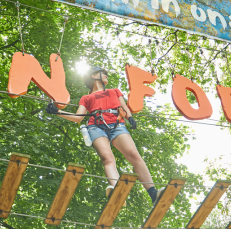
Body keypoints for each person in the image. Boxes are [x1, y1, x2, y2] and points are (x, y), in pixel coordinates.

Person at [46, 66, 163, 205]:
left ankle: (153, 194)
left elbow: (124, 106)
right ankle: (117, 191)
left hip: (117, 124)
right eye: (103, 73)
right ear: (94, 76)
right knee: (107, 158)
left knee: (133, 154)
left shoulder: (114, 91)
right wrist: (58, 112)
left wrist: (130, 117)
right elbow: (78, 117)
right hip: (95, 126)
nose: (106, 75)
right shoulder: (86, 98)